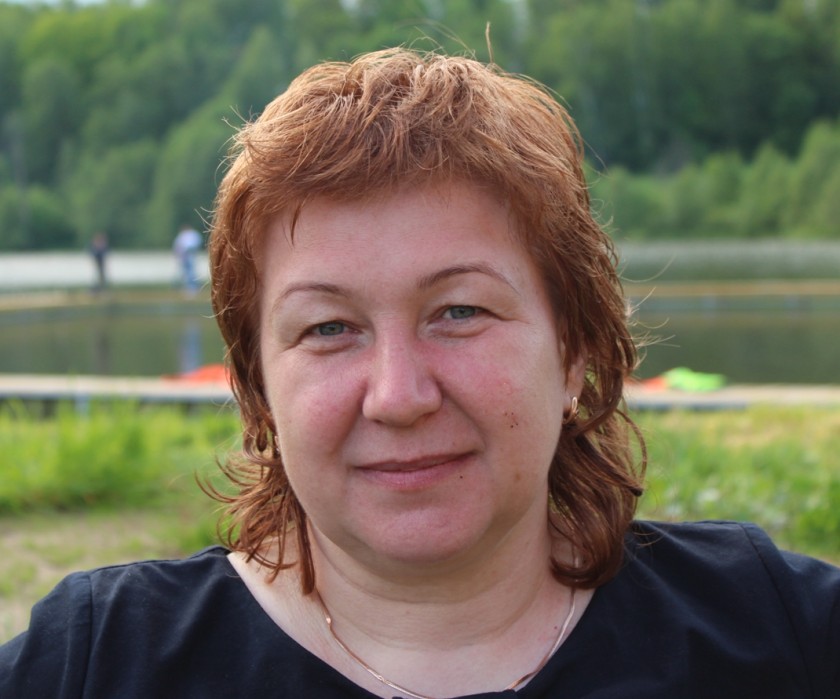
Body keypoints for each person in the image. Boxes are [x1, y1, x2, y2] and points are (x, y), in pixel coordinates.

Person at [1, 48, 838, 698]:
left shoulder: (779, 632)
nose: (398, 396)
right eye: (329, 327)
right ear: (257, 387)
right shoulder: (97, 661)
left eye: (459, 311)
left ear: (574, 349)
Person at [172, 222, 203, 293]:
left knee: (191, 272)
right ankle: (187, 287)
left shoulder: (193, 234)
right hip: (183, 256)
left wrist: (187, 249)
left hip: (191, 255)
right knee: (185, 272)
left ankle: (193, 288)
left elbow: (196, 244)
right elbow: (177, 245)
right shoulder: (182, 235)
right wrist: (177, 254)